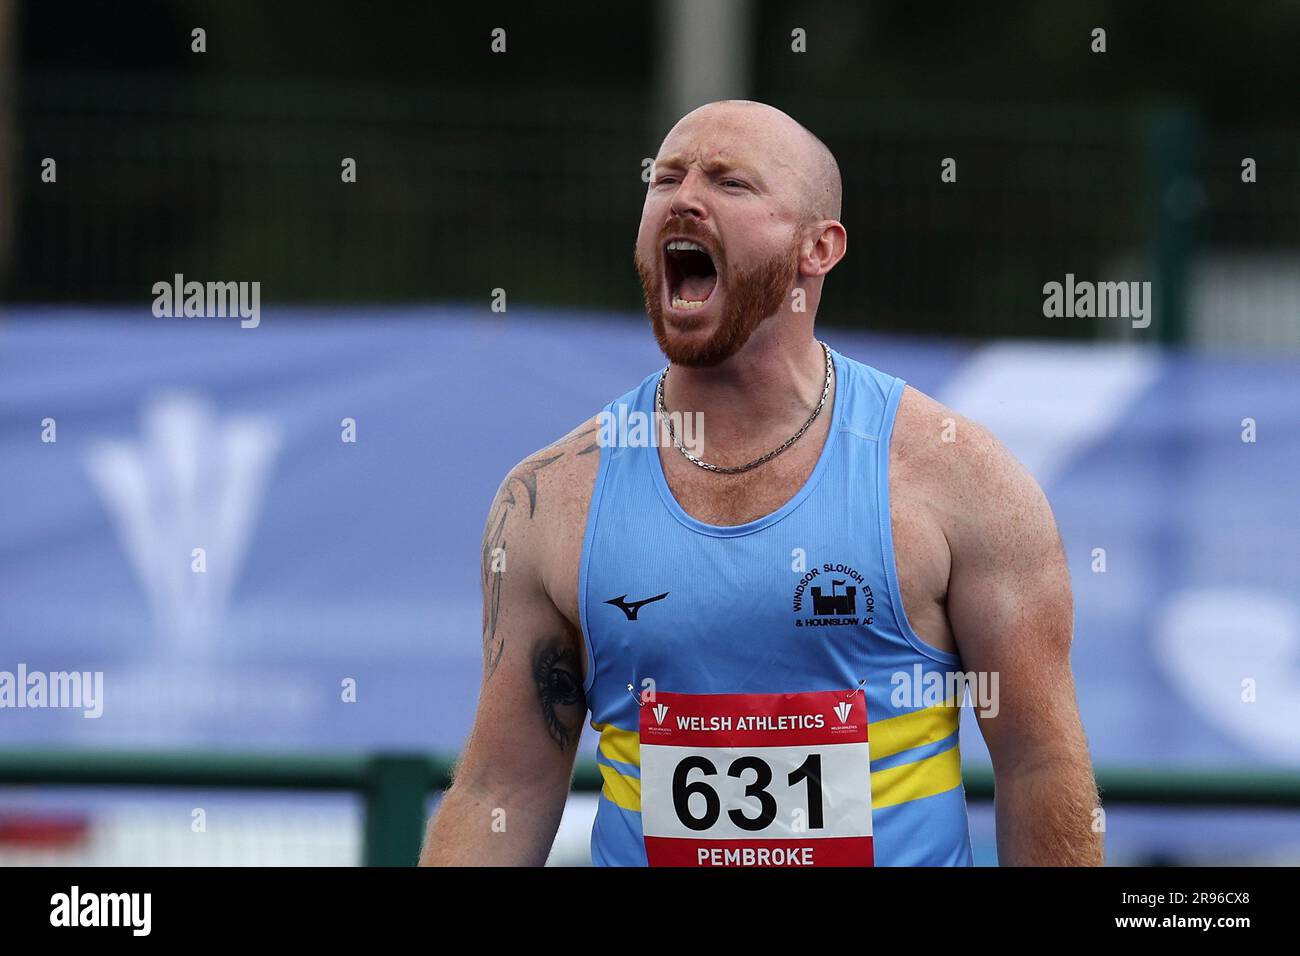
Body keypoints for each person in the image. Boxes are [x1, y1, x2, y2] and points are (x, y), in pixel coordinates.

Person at [420, 99, 1101, 867]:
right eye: (666, 178)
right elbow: (500, 790)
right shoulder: (548, 500)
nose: (683, 197)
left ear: (820, 247)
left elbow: (1040, 764)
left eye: (731, 183)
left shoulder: (960, 479)